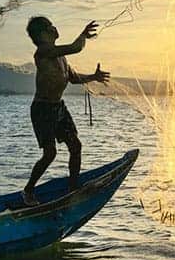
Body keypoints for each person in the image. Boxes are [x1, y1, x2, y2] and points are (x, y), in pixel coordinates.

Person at [22, 16, 110, 206]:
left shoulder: (60, 57)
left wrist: (93, 77)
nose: (55, 27)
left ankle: (72, 188)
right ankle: (28, 191)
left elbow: (74, 78)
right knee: (50, 153)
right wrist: (84, 35)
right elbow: (76, 47)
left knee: (75, 146)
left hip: (58, 107)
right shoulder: (44, 52)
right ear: (43, 33)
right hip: (42, 109)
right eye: (50, 26)